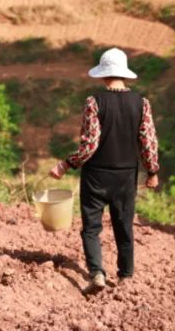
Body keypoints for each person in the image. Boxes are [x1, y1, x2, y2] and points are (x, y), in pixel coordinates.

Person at [50, 48, 160, 290]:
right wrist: (152, 171)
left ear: (103, 74)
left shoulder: (94, 102)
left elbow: (90, 145)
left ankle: (97, 274)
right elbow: (148, 141)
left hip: (96, 177)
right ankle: (125, 276)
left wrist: (66, 164)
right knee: (124, 226)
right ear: (124, 73)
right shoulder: (141, 103)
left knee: (91, 228)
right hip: (125, 177)